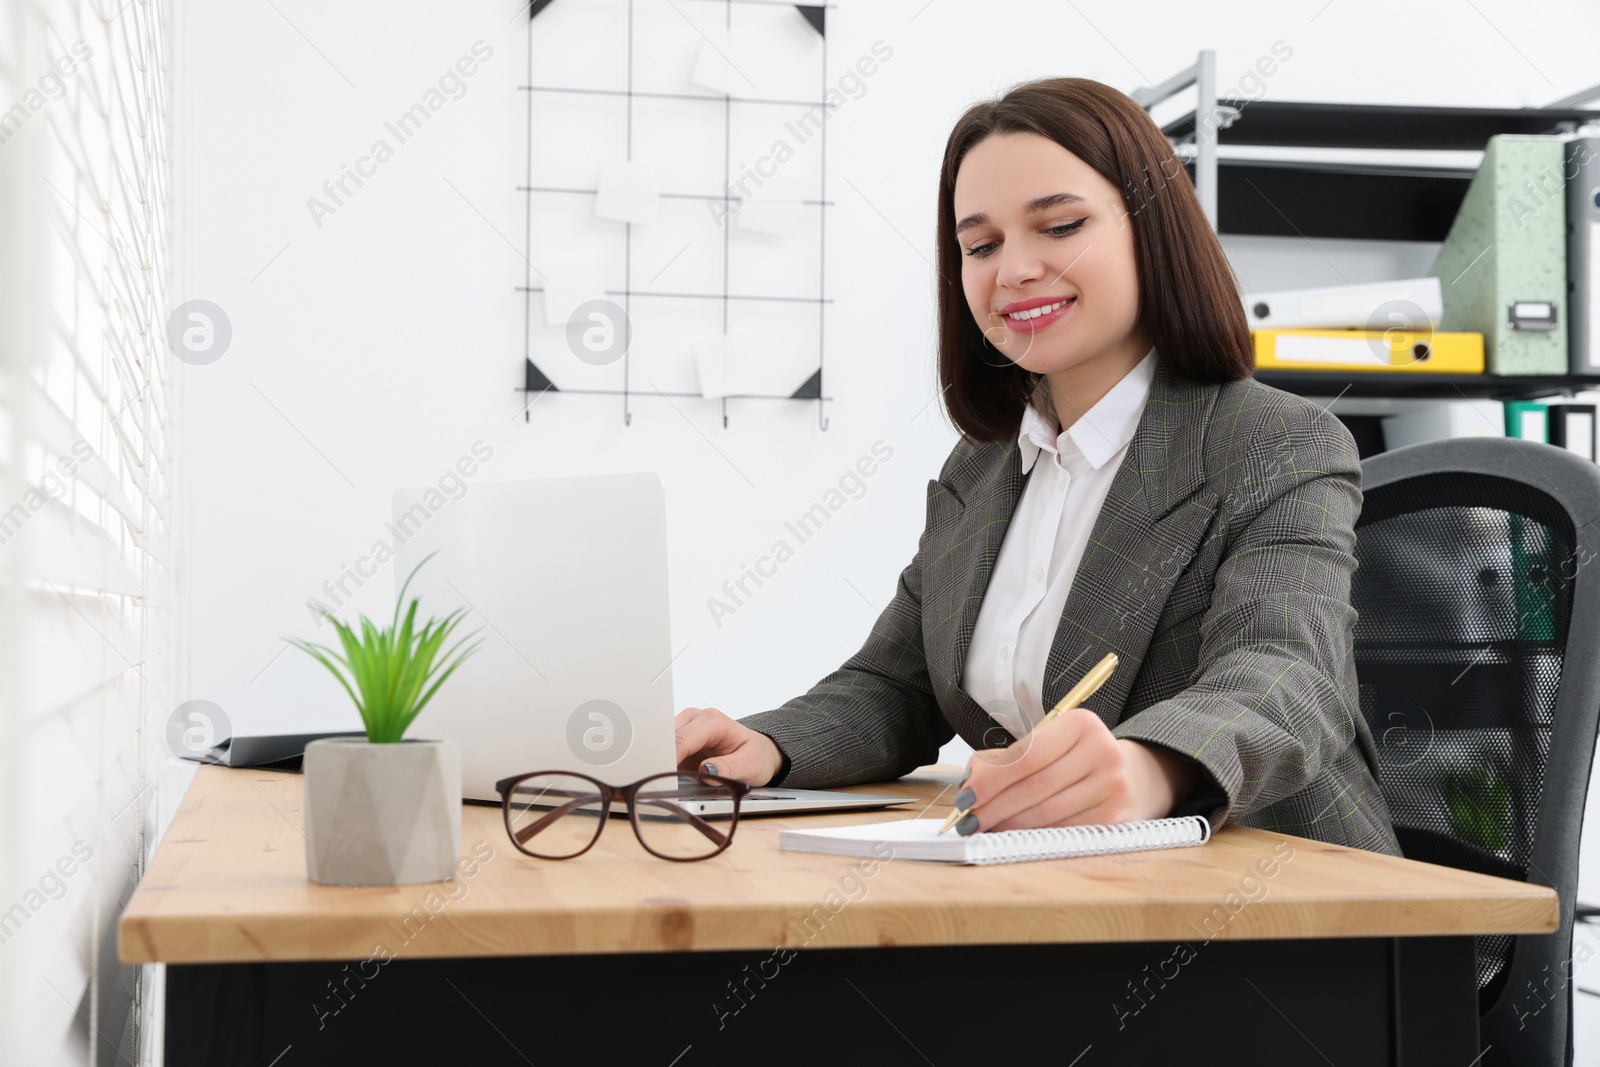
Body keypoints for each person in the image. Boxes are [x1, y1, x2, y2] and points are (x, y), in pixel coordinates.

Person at [674, 76, 1399, 855]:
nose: (1013, 270)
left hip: (1287, 907)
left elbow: (1288, 674)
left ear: (1150, 232)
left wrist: (1148, 768)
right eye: (980, 245)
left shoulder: (1274, 443)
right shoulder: (982, 466)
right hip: (1060, 886)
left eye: (1059, 226)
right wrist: (770, 745)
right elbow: (898, 685)